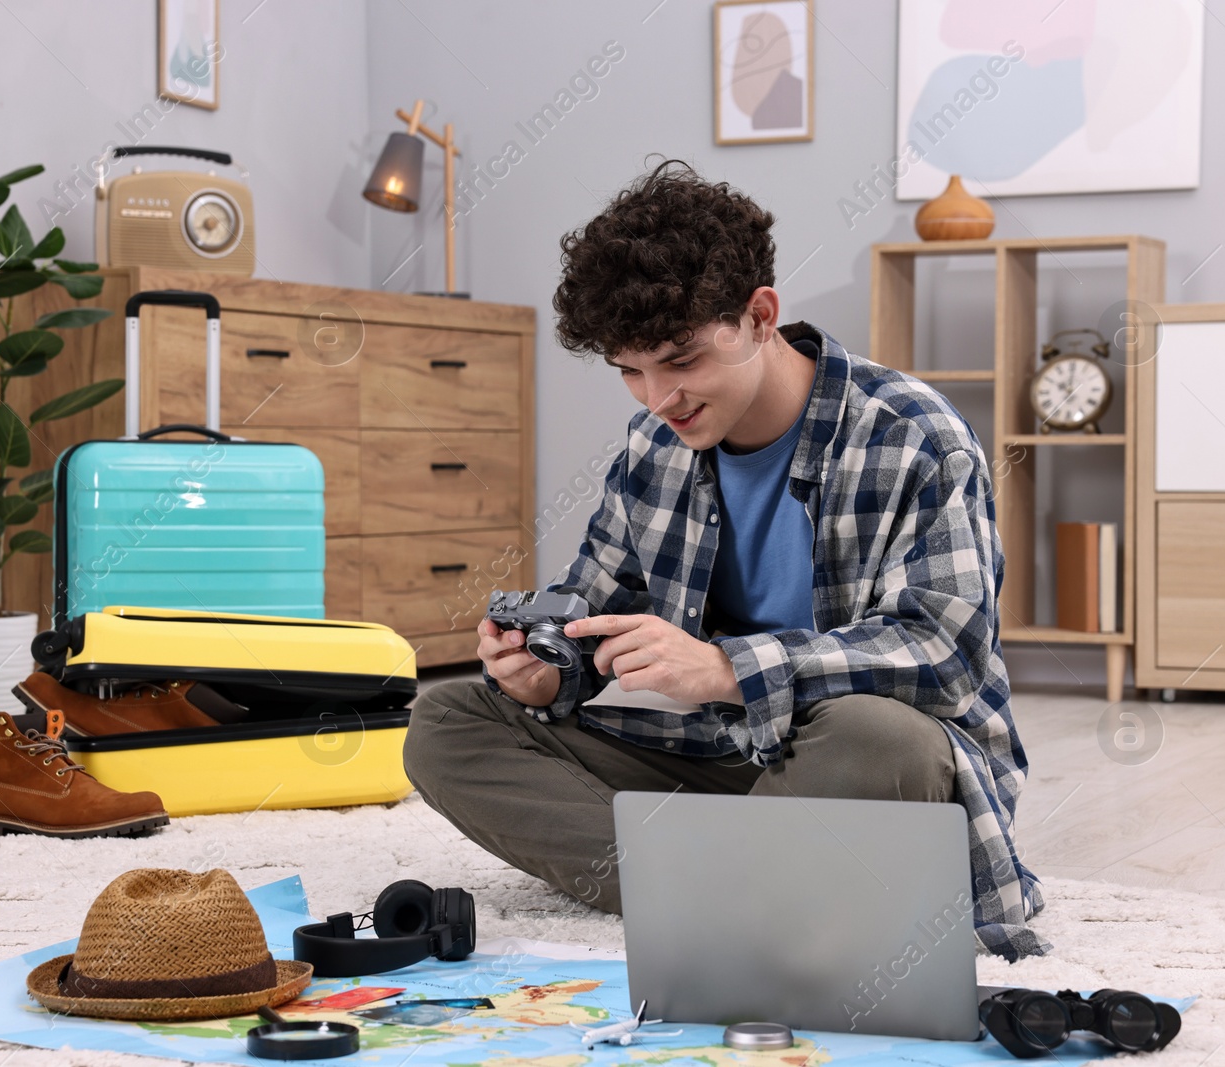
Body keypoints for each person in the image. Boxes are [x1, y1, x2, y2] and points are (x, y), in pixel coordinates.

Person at [403, 159, 1048, 962]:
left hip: (853, 762)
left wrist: (726, 668)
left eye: (680, 360)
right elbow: (599, 600)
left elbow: (943, 653)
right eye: (630, 372)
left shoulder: (913, 433)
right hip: (719, 760)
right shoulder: (654, 442)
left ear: (760, 315)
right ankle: (756, 882)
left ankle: (698, 882)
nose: (656, 398)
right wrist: (549, 666)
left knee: (883, 739)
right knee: (445, 723)